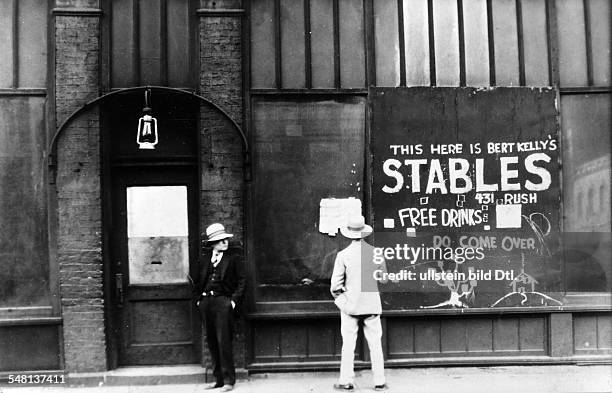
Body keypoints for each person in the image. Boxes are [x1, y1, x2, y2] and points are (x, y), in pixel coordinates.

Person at [330, 215, 387, 391]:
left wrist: (344, 303)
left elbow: (335, 287)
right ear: (364, 233)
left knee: (348, 345)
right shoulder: (376, 253)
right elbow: (384, 279)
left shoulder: (343, 255)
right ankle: (379, 382)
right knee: (376, 345)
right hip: (372, 305)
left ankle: (345, 381)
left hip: (351, 307)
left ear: (348, 233)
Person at [195, 223, 245, 392]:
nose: (224, 242)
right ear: (212, 243)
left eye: (225, 239)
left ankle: (229, 381)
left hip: (223, 303)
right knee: (211, 341)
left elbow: (242, 282)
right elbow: (196, 281)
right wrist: (198, 301)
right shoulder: (204, 259)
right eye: (220, 240)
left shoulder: (234, 258)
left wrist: (232, 302)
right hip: (206, 304)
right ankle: (218, 380)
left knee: (223, 341)